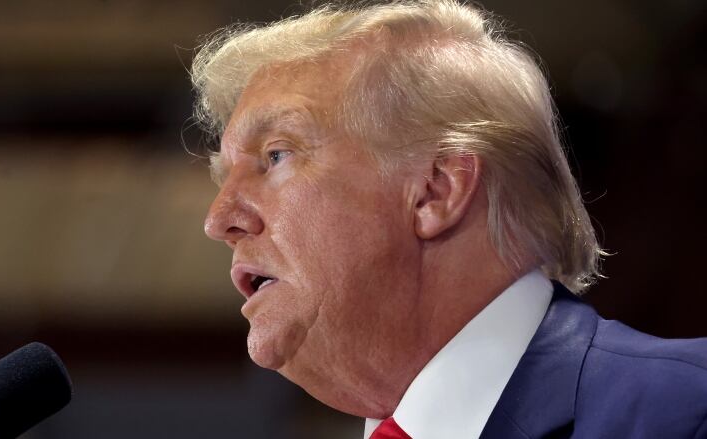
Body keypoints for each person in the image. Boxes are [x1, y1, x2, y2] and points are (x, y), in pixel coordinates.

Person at [192, 1, 707, 437]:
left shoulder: (687, 409)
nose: (220, 219)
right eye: (224, 176)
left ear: (436, 190)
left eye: (277, 155)